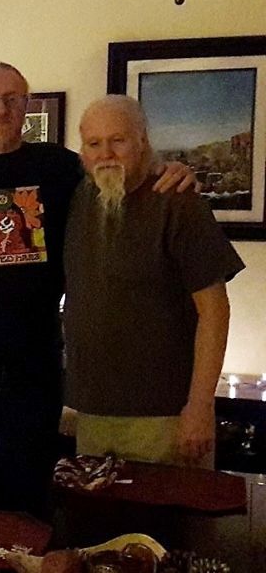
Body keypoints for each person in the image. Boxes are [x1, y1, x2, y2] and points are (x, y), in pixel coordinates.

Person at [0, 62, 195, 517]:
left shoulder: (60, 166)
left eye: (12, 99)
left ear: (26, 106)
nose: (1, 110)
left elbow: (120, 175)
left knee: (32, 493)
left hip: (37, 362)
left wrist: (171, 169)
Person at [64, 95, 244, 467]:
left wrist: (200, 406)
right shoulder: (78, 198)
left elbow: (215, 312)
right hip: (93, 415)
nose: (105, 154)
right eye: (94, 143)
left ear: (142, 140)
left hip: (167, 418)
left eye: (118, 140)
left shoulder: (178, 202)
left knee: (170, 508)